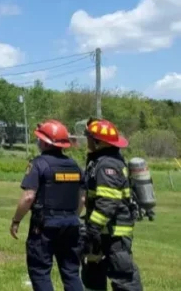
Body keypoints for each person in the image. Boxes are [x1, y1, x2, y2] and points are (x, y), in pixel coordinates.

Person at [10, 120, 84, 291]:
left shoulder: (38, 164)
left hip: (45, 226)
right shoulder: (75, 166)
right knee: (71, 273)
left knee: (40, 272)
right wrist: (72, 217)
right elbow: (82, 200)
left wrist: (16, 221)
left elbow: (28, 197)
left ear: (44, 142)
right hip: (72, 224)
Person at [81, 118, 143, 291]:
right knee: (92, 276)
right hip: (104, 232)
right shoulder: (103, 160)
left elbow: (107, 203)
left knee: (123, 279)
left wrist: (92, 229)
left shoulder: (107, 164)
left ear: (98, 141)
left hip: (114, 235)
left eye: (89, 137)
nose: (87, 140)